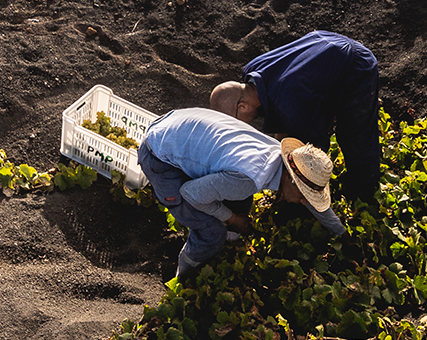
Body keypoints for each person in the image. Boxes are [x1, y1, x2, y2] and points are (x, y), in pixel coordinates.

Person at [138, 107, 346, 278]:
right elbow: (190, 193)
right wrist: (233, 219)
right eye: (304, 195)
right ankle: (183, 277)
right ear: (292, 180)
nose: (303, 202)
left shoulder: (277, 156)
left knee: (240, 196)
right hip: (158, 153)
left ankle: (227, 246)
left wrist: (340, 233)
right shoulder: (249, 178)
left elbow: (308, 199)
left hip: (176, 123)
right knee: (211, 232)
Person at [210, 30, 380, 203]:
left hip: (355, 64)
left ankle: (364, 195)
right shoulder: (251, 71)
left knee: (355, 135)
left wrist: (294, 183)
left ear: (242, 106)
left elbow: (313, 150)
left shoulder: (289, 105)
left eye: (236, 122)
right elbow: (281, 126)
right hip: (324, 43)